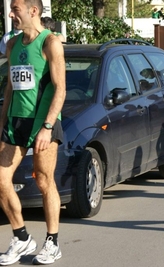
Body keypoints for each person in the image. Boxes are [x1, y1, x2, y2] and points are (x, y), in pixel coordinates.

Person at [0, 0, 66, 265]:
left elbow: (60, 89)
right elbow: (9, 88)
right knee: (1, 179)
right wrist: (2, 120)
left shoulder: (50, 43)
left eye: (15, 9)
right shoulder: (12, 45)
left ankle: (52, 242)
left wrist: (48, 127)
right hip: (16, 121)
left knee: (44, 181)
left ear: (33, 11)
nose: (10, 13)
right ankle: (22, 237)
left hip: (43, 122)